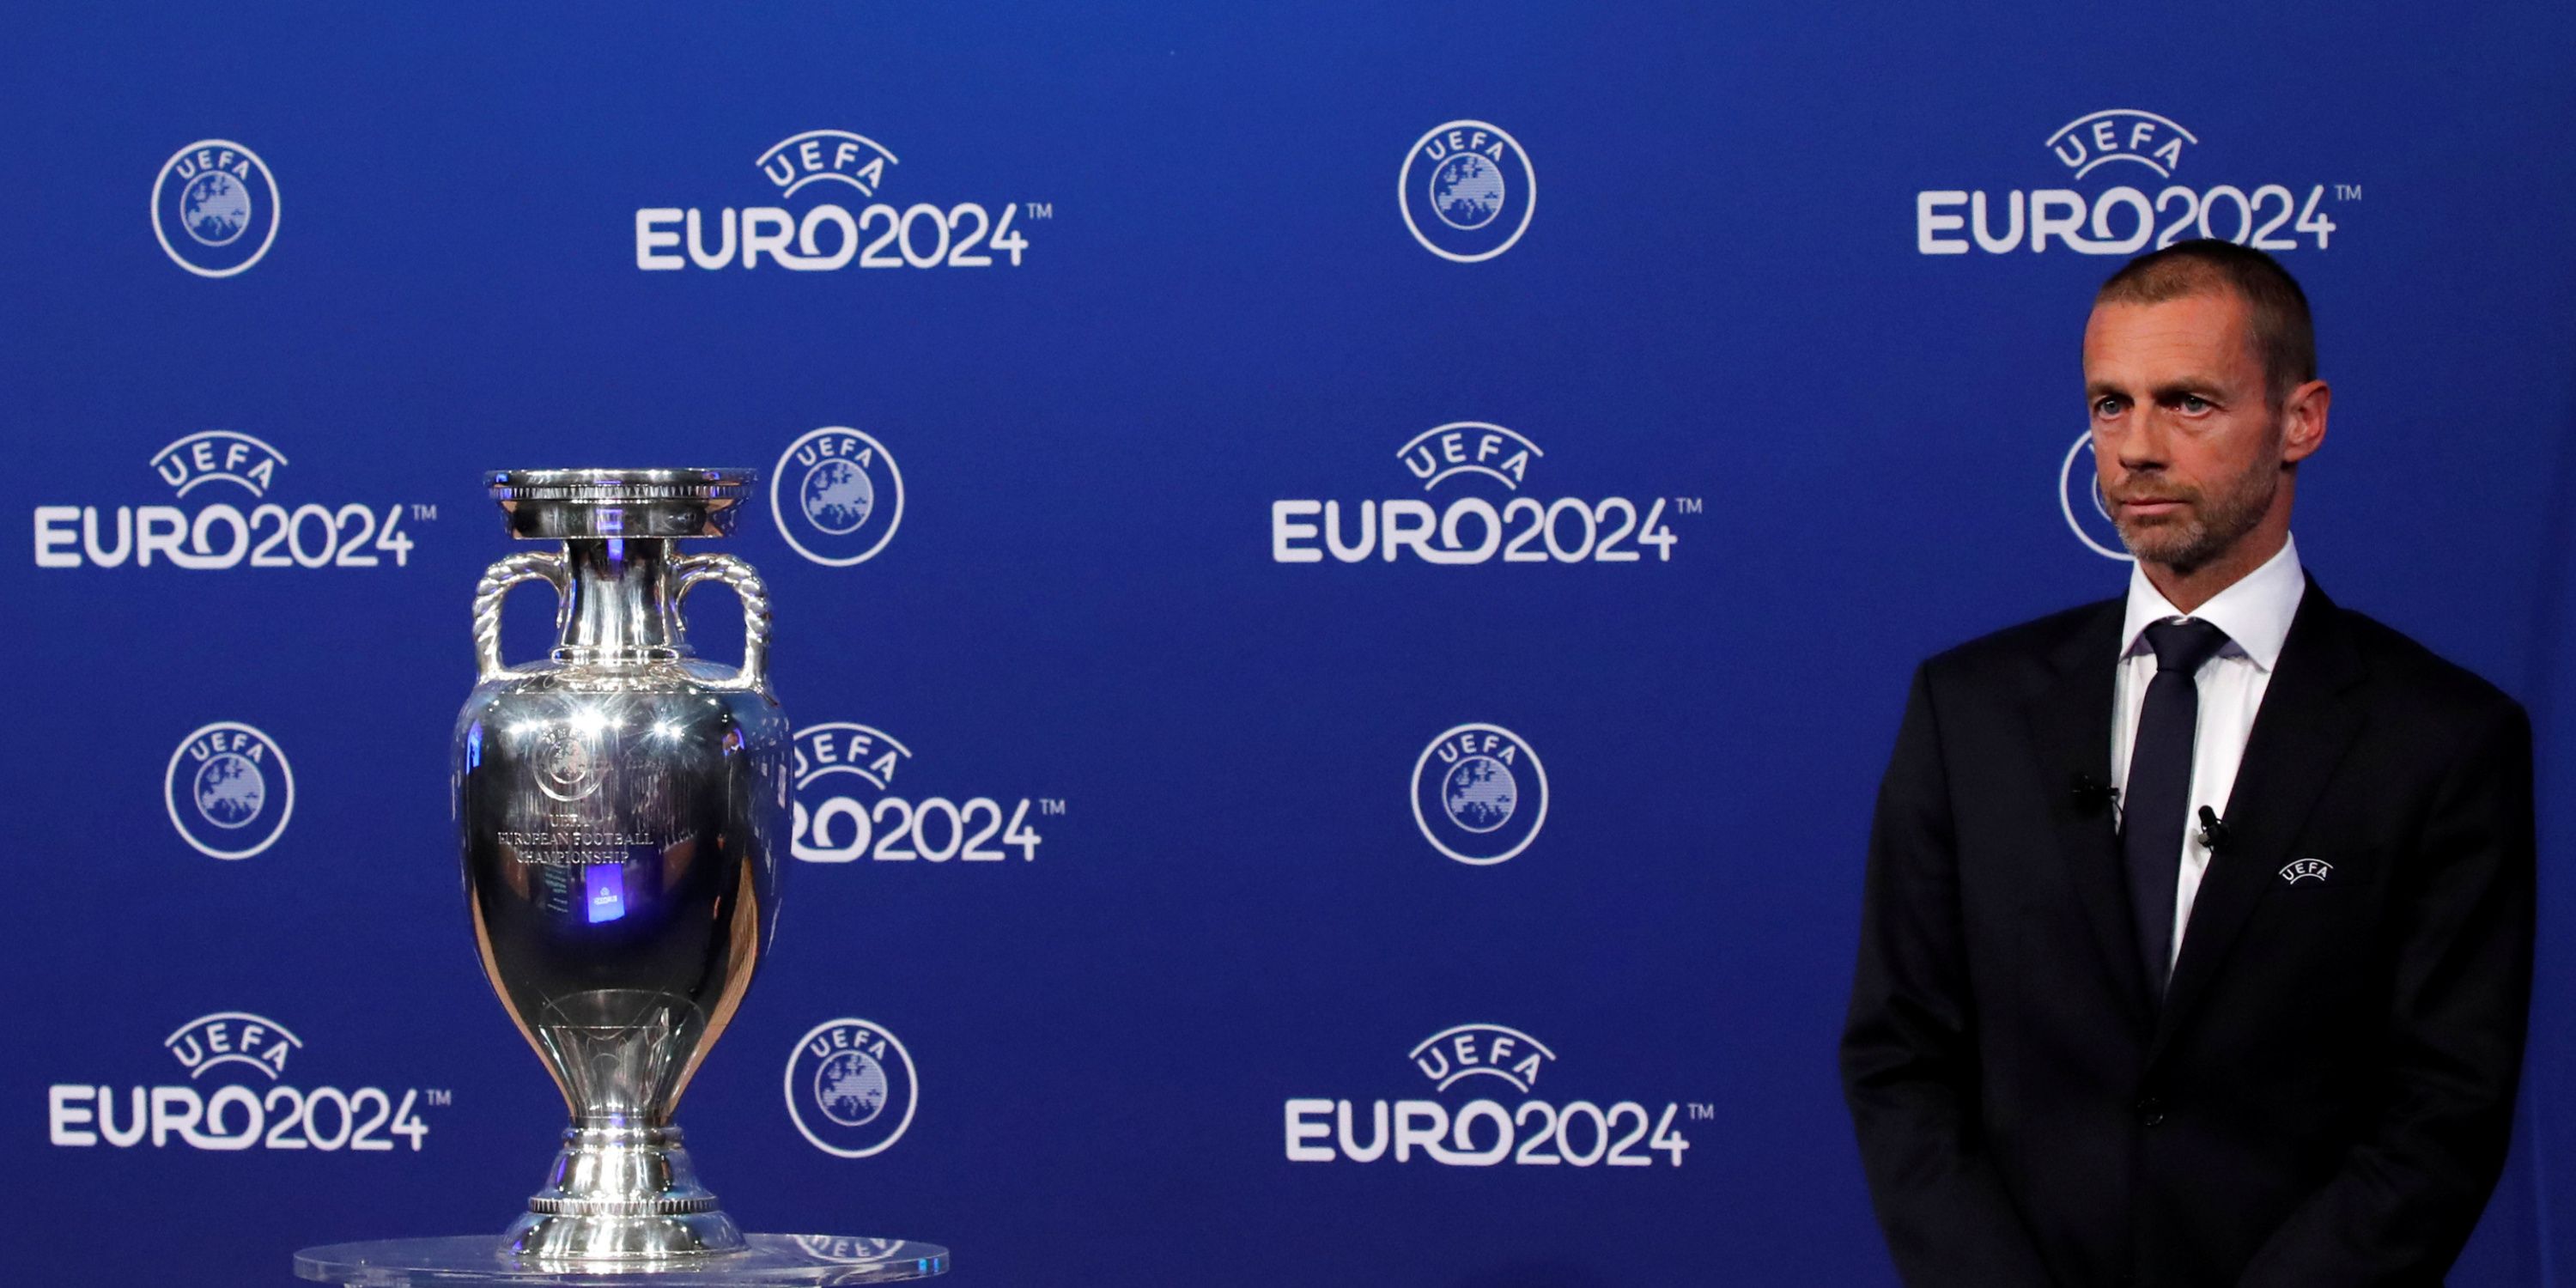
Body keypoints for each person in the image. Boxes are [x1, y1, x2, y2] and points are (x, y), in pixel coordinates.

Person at [1839, 240, 2534, 1286]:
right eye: (2110, 404)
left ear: (2302, 419)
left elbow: (2444, 1109)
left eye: (2190, 403)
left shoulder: (2441, 739)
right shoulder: (1967, 711)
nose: (2136, 448)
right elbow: (1901, 1059)